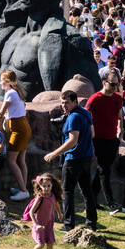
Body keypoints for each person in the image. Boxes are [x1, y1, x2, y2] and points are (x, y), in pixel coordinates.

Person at [44, 88, 98, 232]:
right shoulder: (85, 113)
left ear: (75, 102)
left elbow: (72, 141)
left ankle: (68, 225)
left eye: (67, 103)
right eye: (62, 103)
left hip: (74, 159)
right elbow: (92, 133)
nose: (64, 106)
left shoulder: (73, 117)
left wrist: (54, 154)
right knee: (87, 191)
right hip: (86, 158)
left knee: (67, 191)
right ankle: (91, 223)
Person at [86, 71, 125, 216]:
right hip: (98, 140)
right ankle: (111, 203)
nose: (116, 87)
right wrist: (89, 132)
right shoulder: (95, 98)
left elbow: (120, 116)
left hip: (112, 139)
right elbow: (85, 115)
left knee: (103, 169)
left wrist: (120, 131)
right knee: (104, 170)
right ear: (104, 83)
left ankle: (92, 199)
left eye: (117, 84)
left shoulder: (117, 98)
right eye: (113, 84)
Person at [0, 69, 31, 202]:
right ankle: (23, 188)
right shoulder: (16, 92)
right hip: (24, 127)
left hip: (18, 130)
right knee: (21, 160)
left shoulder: (10, 93)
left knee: (11, 160)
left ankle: (24, 191)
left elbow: (1, 113)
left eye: (2, 80)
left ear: (8, 81)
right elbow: (3, 107)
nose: (0, 83)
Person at [24, 175, 61, 249]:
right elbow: (31, 212)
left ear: (52, 185)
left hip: (49, 224)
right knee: (41, 244)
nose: (47, 188)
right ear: (40, 186)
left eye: (49, 186)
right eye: (44, 186)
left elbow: (56, 204)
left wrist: (59, 213)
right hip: (39, 225)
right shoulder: (40, 198)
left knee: (50, 245)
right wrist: (36, 224)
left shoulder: (52, 196)